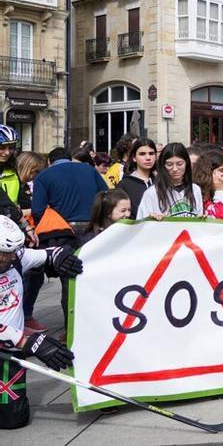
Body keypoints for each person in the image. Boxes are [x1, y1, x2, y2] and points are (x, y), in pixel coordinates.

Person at [0, 216, 83, 429]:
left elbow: (46, 254)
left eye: (12, 252)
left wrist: (60, 258)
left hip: (10, 351)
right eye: (4, 253)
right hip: (13, 342)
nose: (9, 258)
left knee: (14, 419)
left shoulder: (15, 258)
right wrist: (30, 342)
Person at [28, 146, 108, 327]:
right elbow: (106, 194)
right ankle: (98, 323)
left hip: (63, 232)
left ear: (50, 161)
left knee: (69, 279)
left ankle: (70, 328)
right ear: (70, 158)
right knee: (94, 275)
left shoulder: (43, 176)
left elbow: (37, 210)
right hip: (91, 228)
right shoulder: (89, 169)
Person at [136, 143, 203, 219]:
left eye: (179, 164)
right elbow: (141, 223)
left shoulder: (195, 189)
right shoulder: (152, 193)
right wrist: (151, 219)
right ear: (163, 165)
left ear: (186, 163)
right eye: (169, 164)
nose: (175, 169)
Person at [117, 138, 157, 214]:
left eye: (151, 153)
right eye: (142, 154)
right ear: (134, 157)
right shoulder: (124, 185)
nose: (148, 158)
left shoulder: (161, 182)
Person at [193, 150, 223, 221]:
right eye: (222, 170)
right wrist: (220, 191)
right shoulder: (196, 192)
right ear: (209, 172)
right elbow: (221, 217)